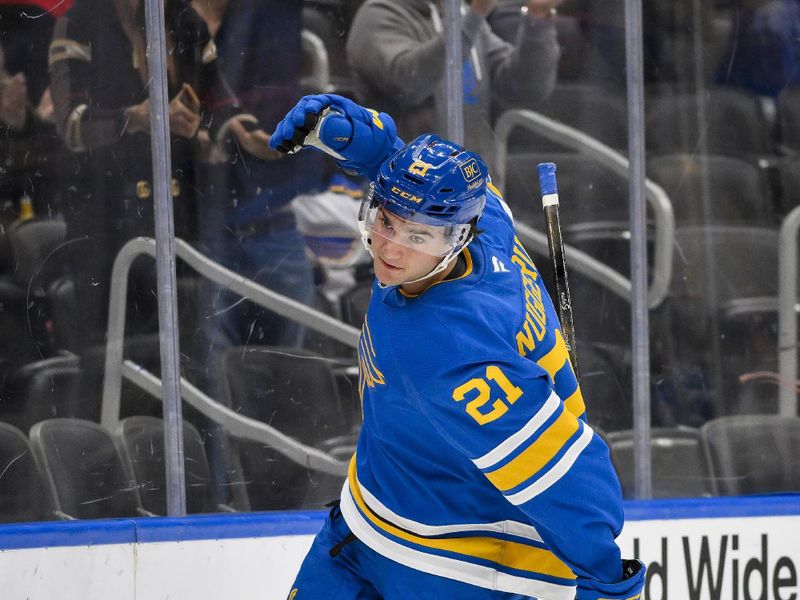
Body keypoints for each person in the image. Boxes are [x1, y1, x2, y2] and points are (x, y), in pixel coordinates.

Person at [270, 93, 645, 599]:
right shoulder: (486, 219)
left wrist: (607, 576)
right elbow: (412, 186)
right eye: (385, 221)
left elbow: (558, 472)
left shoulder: (450, 349)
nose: (390, 248)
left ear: (454, 239)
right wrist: (367, 145)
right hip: (368, 521)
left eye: (417, 238)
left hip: (460, 565)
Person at [48, 0, 277, 353]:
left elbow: (218, 103)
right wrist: (138, 117)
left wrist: (247, 133)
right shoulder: (79, 22)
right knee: (115, 356)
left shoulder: (185, 20)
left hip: (178, 217)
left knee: (190, 351)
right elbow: (72, 125)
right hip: (104, 223)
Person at [345, 0, 563, 171]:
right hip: (404, 194)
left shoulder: (462, 15)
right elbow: (408, 83)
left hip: (473, 190)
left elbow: (525, 88)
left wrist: (537, 19)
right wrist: (475, 16)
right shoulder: (377, 15)